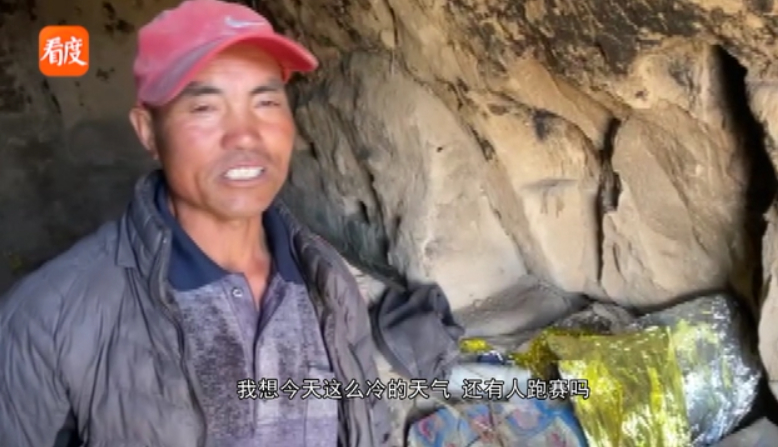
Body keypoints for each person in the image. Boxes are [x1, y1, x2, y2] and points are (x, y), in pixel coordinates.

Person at [0, 0, 393, 445]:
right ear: (148, 131)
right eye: (205, 107)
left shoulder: (327, 279)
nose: (245, 134)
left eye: (265, 101)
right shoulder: (45, 320)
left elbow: (369, 424)